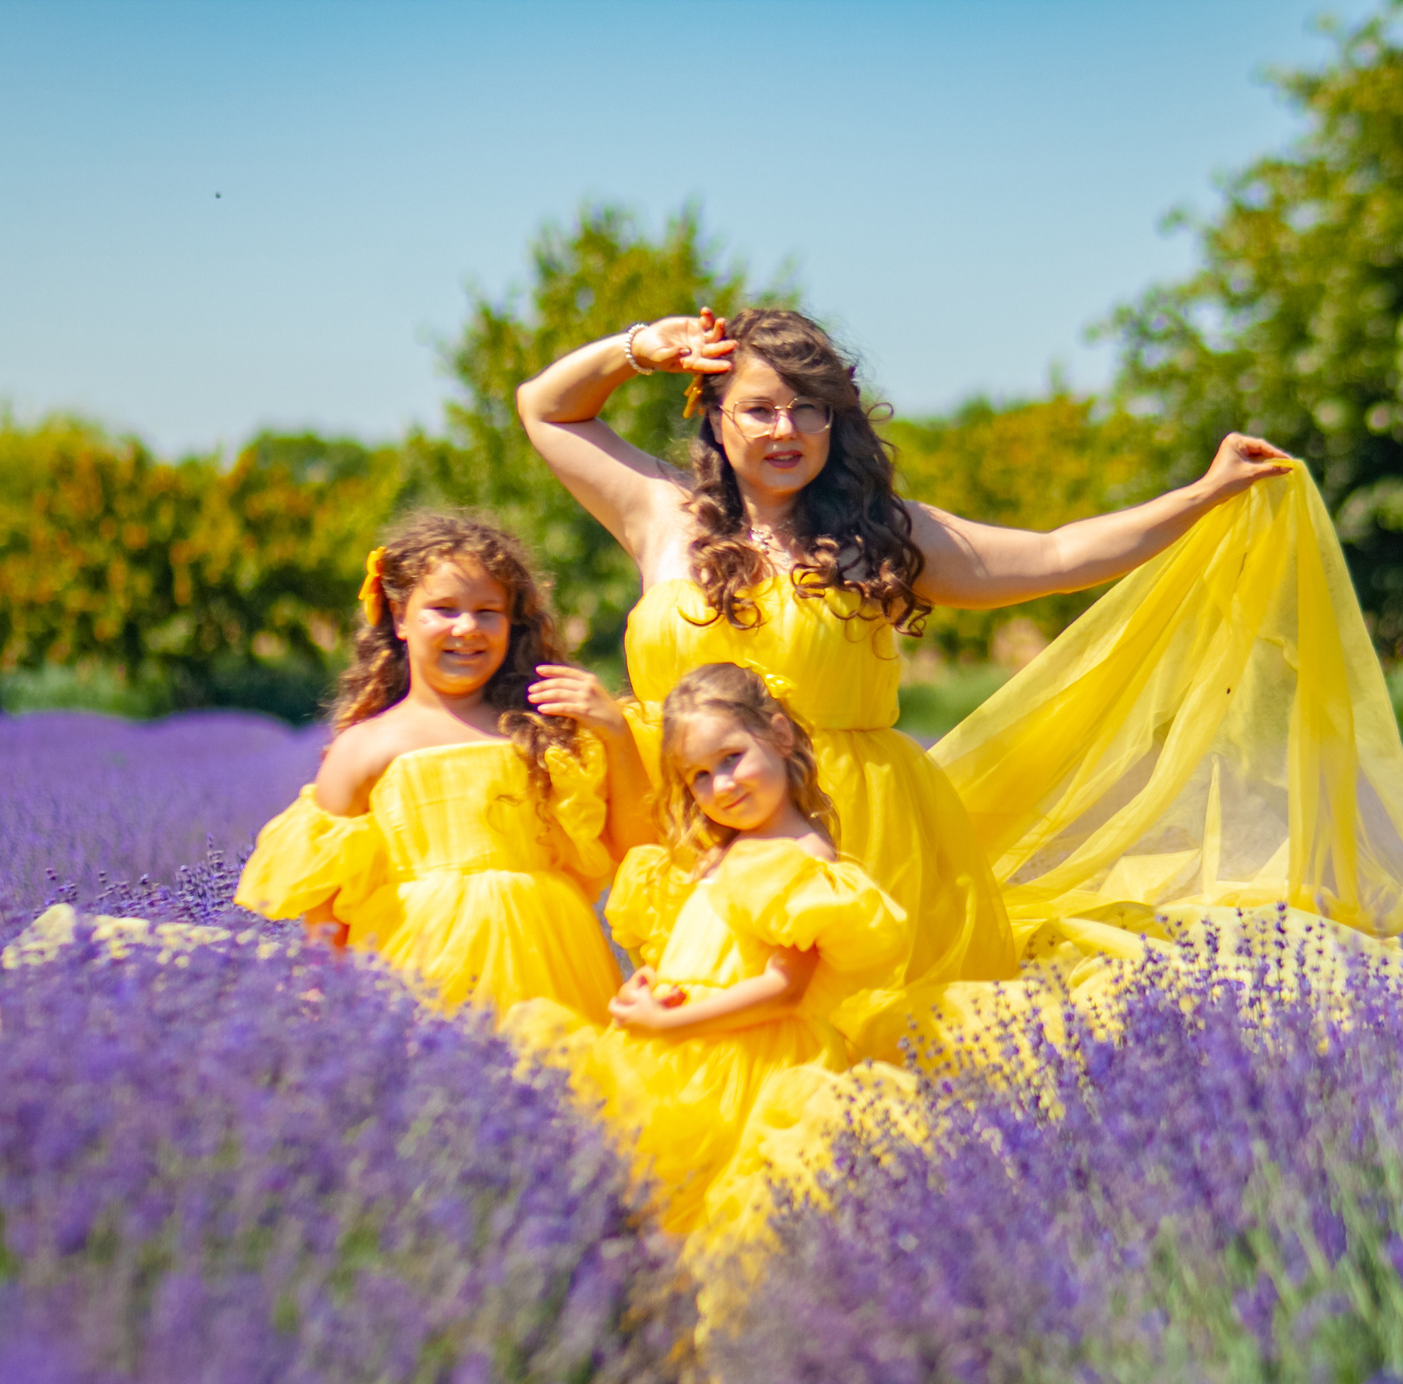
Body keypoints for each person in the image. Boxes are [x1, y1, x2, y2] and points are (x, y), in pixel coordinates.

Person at [515, 308, 1305, 1056]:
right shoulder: (661, 512)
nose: (786, 429)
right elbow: (546, 408)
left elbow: (1061, 555)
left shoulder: (878, 533)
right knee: (706, 1037)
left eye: (809, 408)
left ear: (837, 421)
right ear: (715, 417)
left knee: (855, 1053)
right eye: (759, 409)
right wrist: (641, 348)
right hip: (694, 818)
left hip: (860, 834)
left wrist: (1205, 492)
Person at [516, 663, 910, 1259]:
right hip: (678, 1054)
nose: (721, 786)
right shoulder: (724, 851)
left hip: (746, 1066)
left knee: (722, 1222)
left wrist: (669, 1022)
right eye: (699, 776)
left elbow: (784, 989)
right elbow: (700, 948)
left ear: (779, 735)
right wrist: (653, 984)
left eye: (731, 758)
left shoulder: (800, 857)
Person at [233, 509, 651, 1019]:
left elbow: (637, 851)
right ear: (400, 616)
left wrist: (617, 734)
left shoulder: (546, 732)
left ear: (512, 622)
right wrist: (325, 1004)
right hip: (418, 967)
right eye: (444, 608)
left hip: (554, 964)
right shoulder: (363, 748)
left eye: (488, 611)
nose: (467, 627)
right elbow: (324, 906)